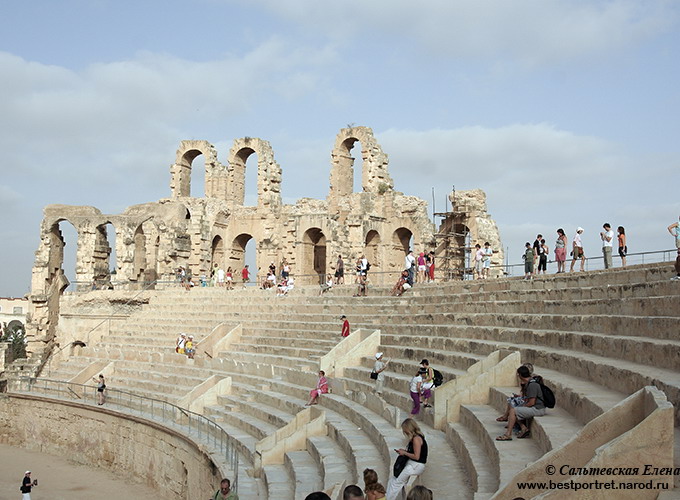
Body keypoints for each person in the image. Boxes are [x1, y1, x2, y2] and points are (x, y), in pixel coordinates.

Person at [496, 365, 546, 441]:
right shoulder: (529, 383)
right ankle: (523, 428)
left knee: (513, 410)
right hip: (535, 407)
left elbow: (532, 402)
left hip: (538, 409)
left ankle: (508, 434)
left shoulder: (532, 385)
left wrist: (521, 406)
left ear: (520, 375)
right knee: (514, 406)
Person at [386, 418, 428, 500]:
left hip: (417, 465)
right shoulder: (414, 438)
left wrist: (404, 453)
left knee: (397, 483)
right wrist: (404, 451)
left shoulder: (416, 439)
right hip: (412, 464)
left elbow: (417, 457)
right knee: (393, 479)